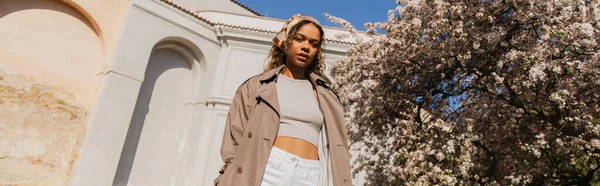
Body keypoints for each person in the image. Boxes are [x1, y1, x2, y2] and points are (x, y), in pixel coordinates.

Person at [214, 14, 352, 186]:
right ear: (286, 42)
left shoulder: (326, 94)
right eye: (299, 39)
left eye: (313, 43)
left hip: (311, 173)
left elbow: (338, 147)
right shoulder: (257, 86)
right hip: (268, 168)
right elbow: (234, 139)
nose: (306, 47)